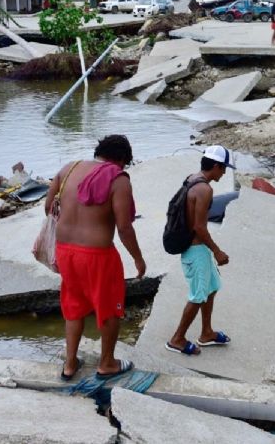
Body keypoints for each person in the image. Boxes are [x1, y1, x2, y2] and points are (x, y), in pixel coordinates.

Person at [48, 135, 145, 381]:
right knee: (110, 309)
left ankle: (70, 364)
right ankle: (107, 363)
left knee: (74, 307)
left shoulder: (68, 169)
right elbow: (124, 227)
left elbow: (49, 207)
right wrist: (138, 258)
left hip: (65, 251)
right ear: (122, 159)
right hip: (97, 255)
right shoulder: (118, 178)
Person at [166, 145, 235, 356]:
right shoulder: (205, 189)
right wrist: (217, 251)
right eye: (223, 168)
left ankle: (206, 332)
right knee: (197, 295)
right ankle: (176, 339)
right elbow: (199, 227)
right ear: (215, 166)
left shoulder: (192, 178)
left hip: (198, 249)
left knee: (212, 287)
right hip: (195, 251)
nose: (224, 173)